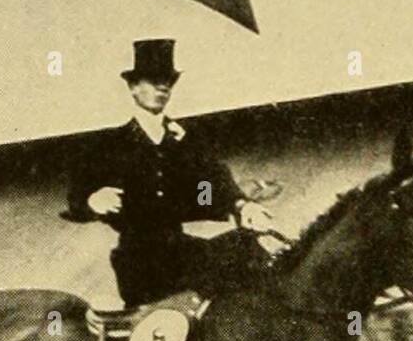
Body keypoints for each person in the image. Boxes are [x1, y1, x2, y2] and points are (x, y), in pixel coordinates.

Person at [66, 39, 273, 310]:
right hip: (140, 261)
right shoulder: (110, 146)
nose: (163, 87)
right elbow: (77, 196)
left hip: (182, 251)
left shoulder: (185, 140)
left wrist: (243, 205)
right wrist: (92, 200)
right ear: (132, 87)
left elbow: (212, 181)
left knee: (248, 251)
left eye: (168, 81)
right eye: (153, 80)